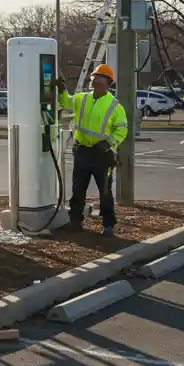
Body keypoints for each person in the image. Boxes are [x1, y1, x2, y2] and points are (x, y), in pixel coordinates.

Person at [59, 63, 129, 237]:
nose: (95, 79)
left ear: (108, 82)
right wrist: (61, 90)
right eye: (94, 77)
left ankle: (108, 225)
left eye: (100, 77)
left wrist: (109, 145)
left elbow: (122, 129)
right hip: (82, 151)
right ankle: (75, 221)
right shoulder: (81, 98)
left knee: (105, 192)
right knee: (78, 189)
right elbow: (66, 102)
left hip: (102, 154)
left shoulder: (115, 106)